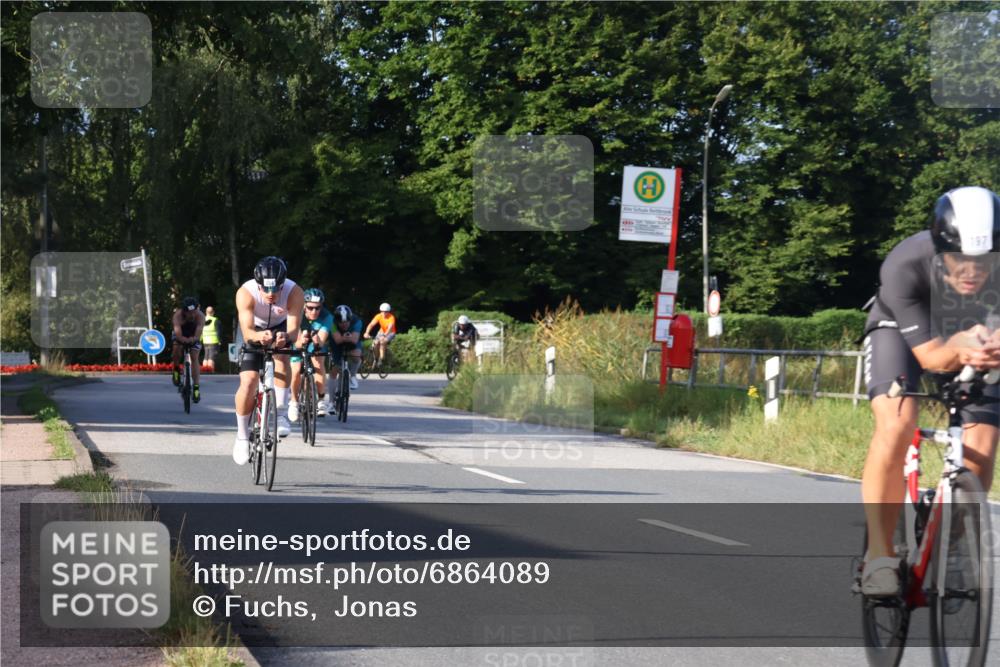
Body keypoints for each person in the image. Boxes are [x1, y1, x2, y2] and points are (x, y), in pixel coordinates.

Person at [859, 186, 1000, 596]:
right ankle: (879, 557)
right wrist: (959, 347)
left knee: (982, 440)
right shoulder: (905, 263)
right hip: (901, 333)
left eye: (983, 260)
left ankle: (953, 547)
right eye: (959, 259)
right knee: (897, 423)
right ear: (940, 250)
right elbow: (934, 358)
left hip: (974, 333)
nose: (971, 270)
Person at [232, 256, 304, 465]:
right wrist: (258, 337)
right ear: (258, 285)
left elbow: (293, 331)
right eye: (266, 289)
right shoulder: (246, 293)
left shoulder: (294, 292)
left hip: (280, 326)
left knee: (282, 355)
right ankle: (242, 436)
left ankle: (280, 413)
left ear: (283, 284)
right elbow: (247, 332)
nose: (271, 294)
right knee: (249, 381)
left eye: (276, 289)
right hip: (253, 329)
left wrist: (286, 337)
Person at [288, 288, 333, 421]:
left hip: (315, 342)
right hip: (298, 341)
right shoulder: (297, 313)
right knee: (296, 370)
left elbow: (321, 341)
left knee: (318, 361)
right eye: (310, 308)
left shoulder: (327, 316)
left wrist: (315, 338)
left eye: (318, 308)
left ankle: (321, 399)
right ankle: (294, 402)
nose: (314, 311)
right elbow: (297, 343)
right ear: (304, 306)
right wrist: (302, 339)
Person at [171, 297, 205, 402]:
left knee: (194, 357)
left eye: (194, 312)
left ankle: (196, 388)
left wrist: (193, 339)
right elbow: (178, 333)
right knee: (176, 350)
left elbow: (198, 333)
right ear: (184, 311)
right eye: (189, 313)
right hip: (181, 334)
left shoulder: (200, 316)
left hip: (193, 334)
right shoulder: (177, 316)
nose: (192, 315)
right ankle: (176, 369)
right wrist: (183, 340)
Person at [330, 305, 363, 393]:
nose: (344, 324)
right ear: (337, 321)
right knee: (336, 368)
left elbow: (354, 340)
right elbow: (337, 340)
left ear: (350, 319)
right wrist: (344, 338)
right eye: (341, 322)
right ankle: (332, 399)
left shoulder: (357, 321)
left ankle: (353, 376)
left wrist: (346, 338)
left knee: (356, 355)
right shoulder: (332, 322)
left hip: (352, 340)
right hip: (336, 341)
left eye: (347, 322)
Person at [364, 302, 397, 367]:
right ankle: (376, 359)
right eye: (382, 311)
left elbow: (390, 328)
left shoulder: (391, 317)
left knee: (382, 341)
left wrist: (384, 335)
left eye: (386, 312)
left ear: (389, 312)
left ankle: (381, 359)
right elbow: (371, 324)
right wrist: (366, 332)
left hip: (391, 332)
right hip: (381, 331)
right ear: (380, 311)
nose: (384, 313)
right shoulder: (378, 316)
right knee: (375, 343)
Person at [201, 306, 221, 371]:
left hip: (205, 341)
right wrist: (219, 341)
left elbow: (200, 331)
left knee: (206, 356)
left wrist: (200, 340)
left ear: (206, 312)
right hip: (213, 341)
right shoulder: (215, 320)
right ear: (213, 312)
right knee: (211, 357)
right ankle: (210, 371)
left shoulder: (202, 320)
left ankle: (204, 371)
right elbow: (218, 332)